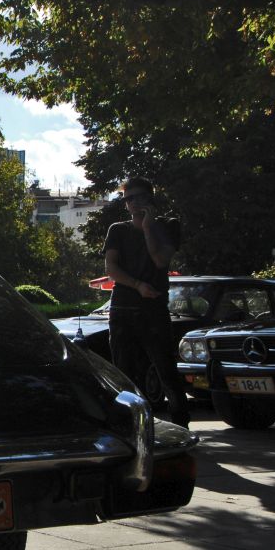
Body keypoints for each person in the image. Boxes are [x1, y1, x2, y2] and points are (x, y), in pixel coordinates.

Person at [102, 177, 190, 428]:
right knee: (124, 373)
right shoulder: (118, 230)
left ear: (151, 198)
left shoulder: (168, 225)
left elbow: (161, 261)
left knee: (166, 370)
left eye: (139, 197)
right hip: (122, 309)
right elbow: (111, 268)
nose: (133, 203)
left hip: (153, 310)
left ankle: (181, 425)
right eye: (128, 199)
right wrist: (138, 285)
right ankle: (129, 427)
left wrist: (149, 227)